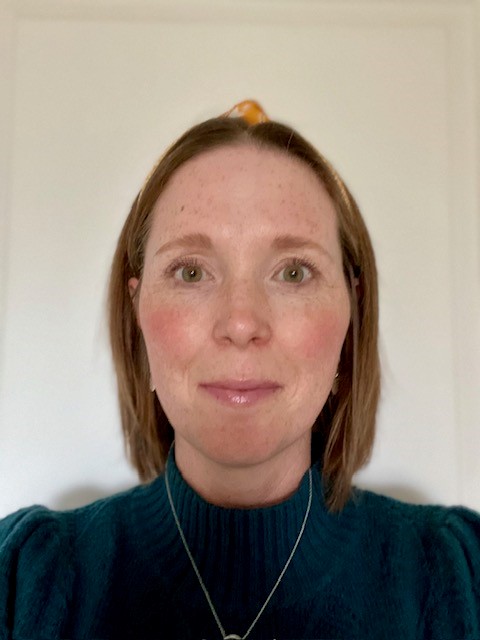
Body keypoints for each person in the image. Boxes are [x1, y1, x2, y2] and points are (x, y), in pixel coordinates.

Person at [0, 100, 479, 640]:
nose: (242, 321)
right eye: (191, 271)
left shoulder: (461, 574)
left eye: (293, 272)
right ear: (137, 314)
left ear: (353, 310)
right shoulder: (22, 580)